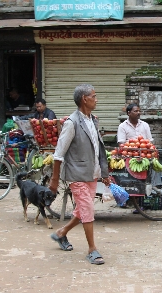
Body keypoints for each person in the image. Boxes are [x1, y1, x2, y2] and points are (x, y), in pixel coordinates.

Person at [48, 84, 110, 265]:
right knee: (87, 209)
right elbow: (58, 154)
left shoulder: (93, 120)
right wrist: (54, 180)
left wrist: (104, 172)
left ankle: (61, 233)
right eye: (94, 96)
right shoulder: (71, 123)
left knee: (82, 209)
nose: (96, 99)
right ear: (85, 99)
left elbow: (99, 149)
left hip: (92, 173)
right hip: (76, 174)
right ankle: (92, 250)